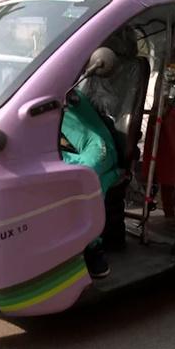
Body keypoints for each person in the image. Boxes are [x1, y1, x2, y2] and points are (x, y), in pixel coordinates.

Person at [61, 89, 122, 278]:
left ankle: (93, 248)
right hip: (68, 148)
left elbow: (93, 162)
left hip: (98, 148)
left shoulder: (67, 91)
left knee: (86, 180)